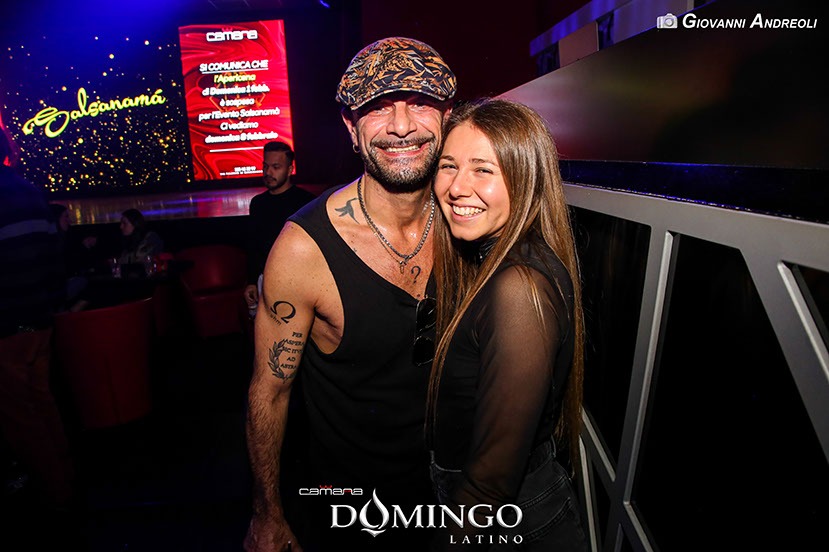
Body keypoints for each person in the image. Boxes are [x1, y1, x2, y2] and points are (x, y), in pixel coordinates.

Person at [244, 37, 456, 552]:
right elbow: (269, 392)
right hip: (352, 505)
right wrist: (268, 514)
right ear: (351, 129)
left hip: (457, 491)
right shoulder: (304, 250)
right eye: (378, 107)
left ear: (448, 116)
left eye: (420, 103)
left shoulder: (467, 219)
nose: (401, 125)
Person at [426, 98, 589, 550]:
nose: (457, 187)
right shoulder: (494, 261)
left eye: (483, 170)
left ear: (525, 178)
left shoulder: (520, 288)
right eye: (448, 166)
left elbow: (490, 483)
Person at [0, 125, 76, 524]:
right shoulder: (29, 191)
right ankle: (65, 483)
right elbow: (53, 256)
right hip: (39, 319)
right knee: (43, 403)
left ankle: (54, 497)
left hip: (8, 323)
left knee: (19, 415)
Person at [243, 141, 315, 318]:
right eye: (265, 166)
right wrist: (251, 281)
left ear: (290, 170)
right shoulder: (258, 203)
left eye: (276, 167)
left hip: (299, 284)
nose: (268, 172)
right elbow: (253, 245)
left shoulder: (306, 202)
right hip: (265, 282)